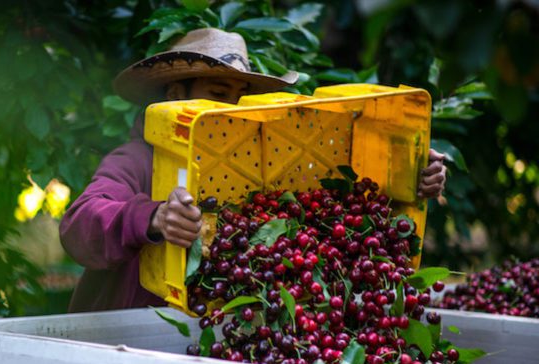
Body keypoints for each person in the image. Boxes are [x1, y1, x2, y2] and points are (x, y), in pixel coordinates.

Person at [60, 28, 447, 313]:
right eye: (217, 94)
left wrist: (411, 179)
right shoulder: (136, 160)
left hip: (215, 333)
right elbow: (79, 225)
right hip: (128, 340)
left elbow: (337, 203)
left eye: (238, 97)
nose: (229, 108)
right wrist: (153, 216)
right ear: (175, 96)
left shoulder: (250, 167)